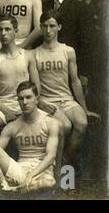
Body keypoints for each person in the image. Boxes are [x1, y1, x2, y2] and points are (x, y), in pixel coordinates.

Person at [34, 10, 99, 169]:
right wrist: (40, 101)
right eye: (45, 26)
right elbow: (33, 86)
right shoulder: (34, 54)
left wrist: (84, 109)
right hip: (48, 102)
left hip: (67, 100)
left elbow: (75, 81)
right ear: (40, 28)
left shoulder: (68, 51)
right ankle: (60, 166)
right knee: (65, 126)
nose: (48, 31)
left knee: (82, 123)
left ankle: (65, 158)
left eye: (52, 26)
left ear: (59, 27)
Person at [0, 81, 59, 192]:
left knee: (49, 182)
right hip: (19, 170)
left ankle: (16, 191)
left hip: (41, 171)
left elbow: (51, 156)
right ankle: (3, 185)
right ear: (18, 101)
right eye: (21, 99)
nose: (25, 102)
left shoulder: (50, 123)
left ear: (37, 99)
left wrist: (31, 175)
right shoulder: (13, 126)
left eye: (28, 97)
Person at [0, 14, 40, 139]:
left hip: (26, 104)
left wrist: (30, 107)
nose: (3, 33)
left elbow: (36, 86)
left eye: (7, 29)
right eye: (0, 30)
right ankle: (4, 155)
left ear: (16, 31)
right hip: (3, 106)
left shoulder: (28, 55)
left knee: (57, 125)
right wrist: (5, 110)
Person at [42, 0, 93, 92]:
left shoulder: (81, 8)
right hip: (44, 67)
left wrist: (83, 74)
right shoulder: (43, 6)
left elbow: (86, 43)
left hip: (70, 69)